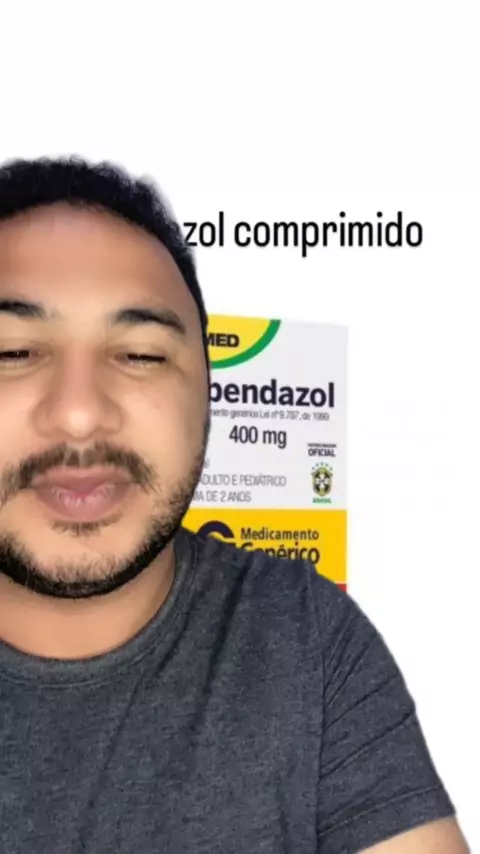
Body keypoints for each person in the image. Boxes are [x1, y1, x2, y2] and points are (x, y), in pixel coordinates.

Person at [0, 157, 468, 854]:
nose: (78, 413)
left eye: (140, 356)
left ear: (209, 399)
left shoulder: (302, 633)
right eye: (12, 352)